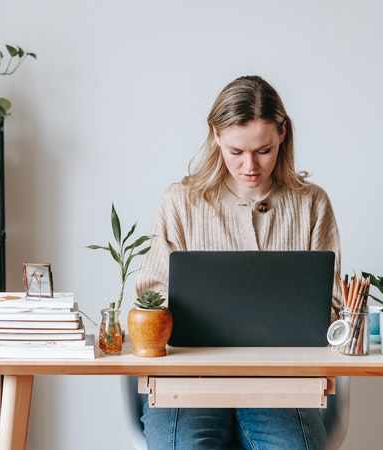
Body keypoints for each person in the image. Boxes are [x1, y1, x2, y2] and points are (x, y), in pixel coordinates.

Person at [134, 75, 342, 450]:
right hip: (187, 380)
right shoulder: (180, 201)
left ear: (282, 133)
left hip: (281, 384)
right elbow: (151, 294)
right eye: (236, 152)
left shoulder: (312, 203)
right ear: (215, 135)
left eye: (263, 150)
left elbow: (333, 305)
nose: (250, 165)